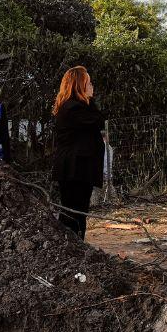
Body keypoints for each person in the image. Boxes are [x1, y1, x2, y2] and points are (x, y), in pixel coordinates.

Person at [50, 66, 105, 239]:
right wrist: (90, 99)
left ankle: (74, 243)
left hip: (78, 168)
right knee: (74, 211)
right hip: (75, 169)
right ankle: (72, 243)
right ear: (79, 85)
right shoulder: (74, 108)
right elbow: (98, 120)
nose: (91, 87)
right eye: (88, 83)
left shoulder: (73, 107)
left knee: (77, 210)